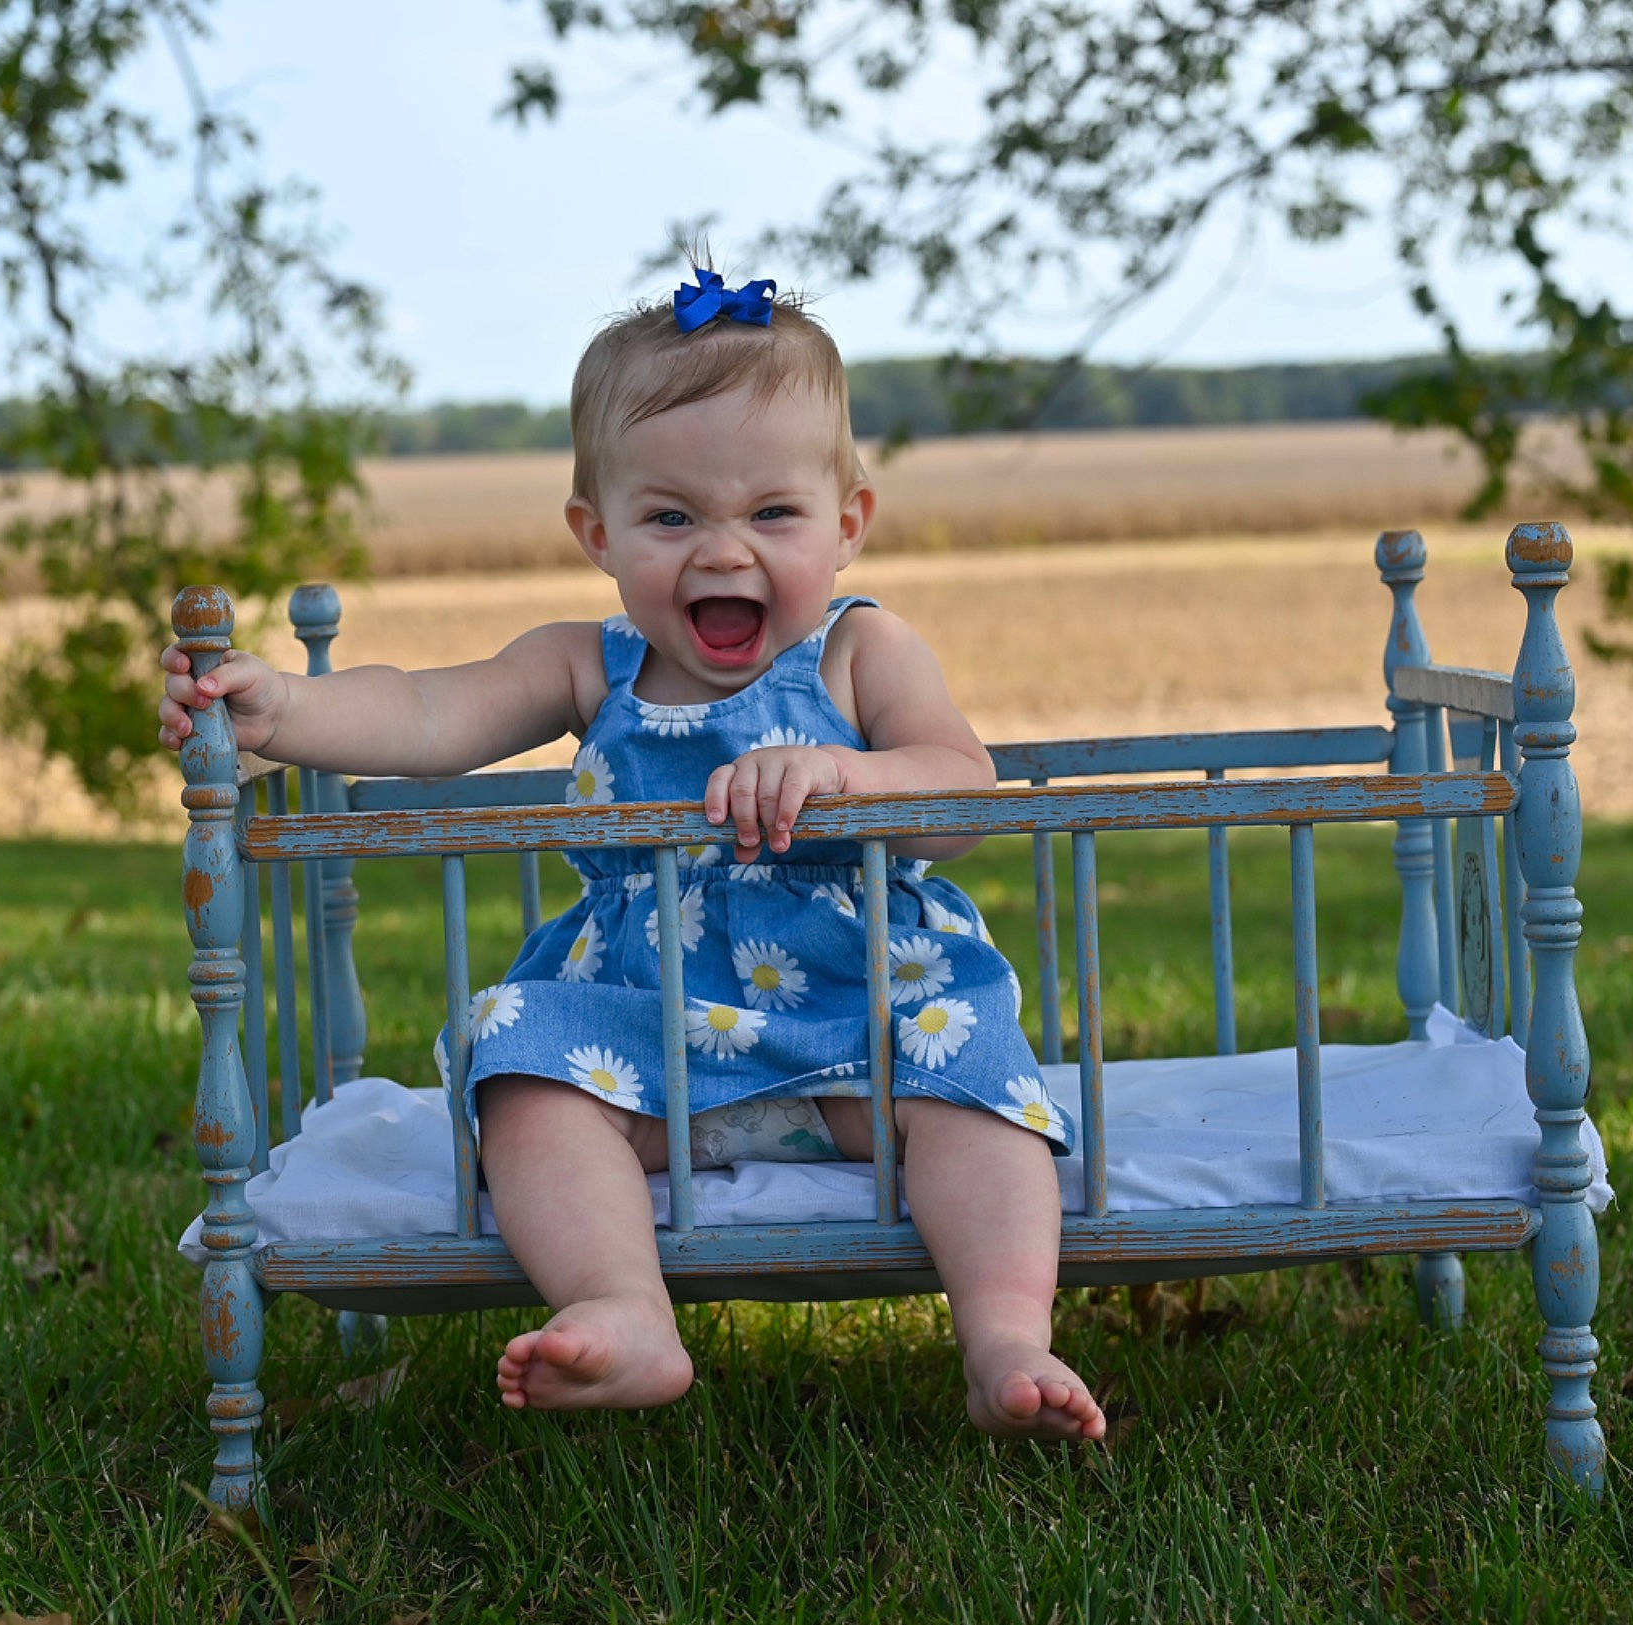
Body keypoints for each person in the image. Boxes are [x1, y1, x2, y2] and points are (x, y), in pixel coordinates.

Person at [158, 269, 1105, 1442]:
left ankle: (1005, 1331)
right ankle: (622, 1304)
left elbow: (962, 788)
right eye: (670, 518)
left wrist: (844, 773)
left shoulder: (862, 652)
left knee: (981, 1095)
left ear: (846, 523)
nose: (723, 552)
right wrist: (282, 712)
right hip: (651, 1033)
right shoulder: (586, 665)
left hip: (863, 1018)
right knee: (520, 1065)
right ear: (596, 533)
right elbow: (425, 715)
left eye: (772, 514)